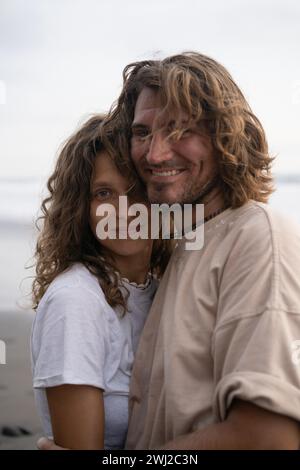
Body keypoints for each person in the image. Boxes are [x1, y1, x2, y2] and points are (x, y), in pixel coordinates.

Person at [38, 52, 300, 451]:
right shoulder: (183, 249)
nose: (156, 154)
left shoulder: (256, 238)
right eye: (143, 133)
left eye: (180, 130)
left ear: (226, 136)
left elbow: (269, 438)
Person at [31, 114, 171, 450]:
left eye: (137, 190)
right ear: (81, 206)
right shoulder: (75, 301)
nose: (123, 210)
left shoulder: (164, 289)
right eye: (104, 192)